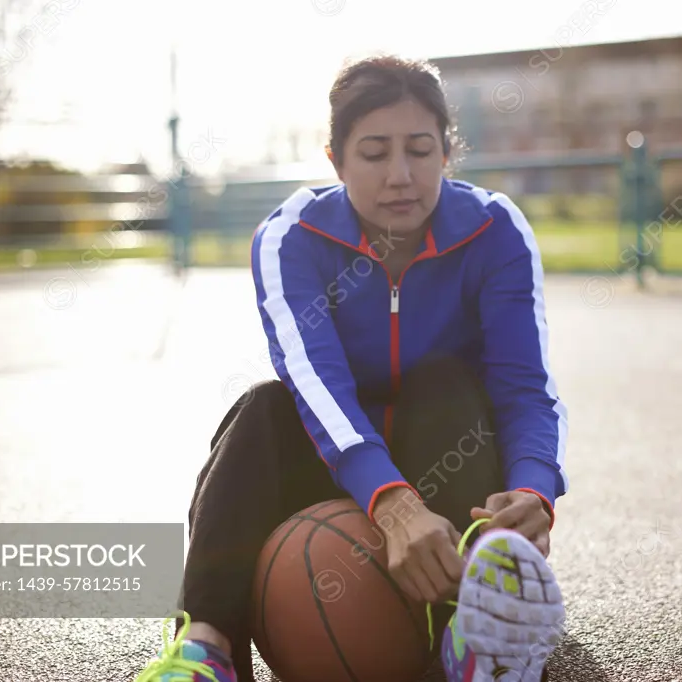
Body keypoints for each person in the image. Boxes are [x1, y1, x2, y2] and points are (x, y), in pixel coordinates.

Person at [135, 53, 570, 682]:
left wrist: (533, 490)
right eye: (374, 153)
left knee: (449, 385)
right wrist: (391, 504)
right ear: (335, 160)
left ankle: (476, 630)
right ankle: (207, 647)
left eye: (421, 150)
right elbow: (316, 385)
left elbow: (524, 387)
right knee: (263, 407)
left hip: (449, 464)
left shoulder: (495, 228)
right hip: (330, 463)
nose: (401, 175)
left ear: (447, 153)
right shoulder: (291, 236)